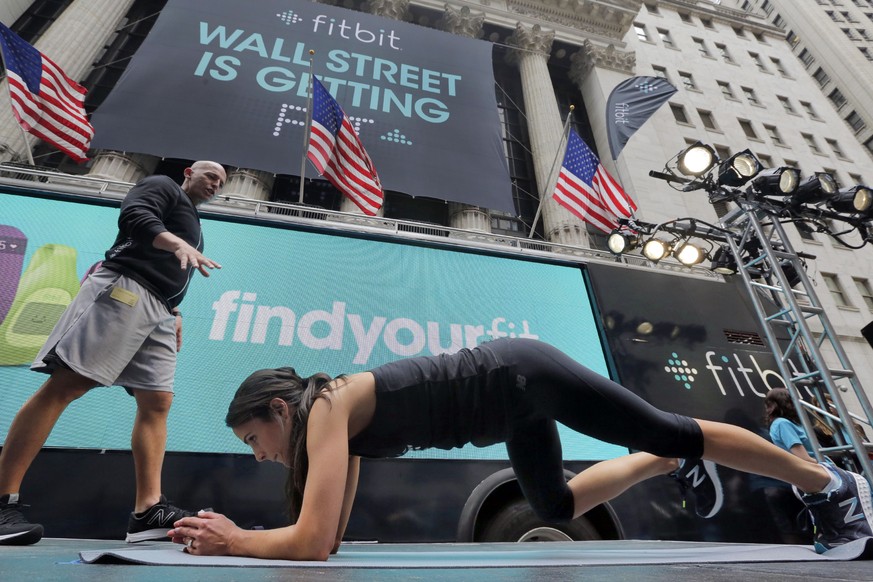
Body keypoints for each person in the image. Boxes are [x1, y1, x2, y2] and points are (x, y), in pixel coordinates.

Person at [168, 338, 873, 560]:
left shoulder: (326, 406)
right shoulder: (337, 429)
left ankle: (828, 484)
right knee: (556, 502)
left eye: (253, 439)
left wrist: (234, 541)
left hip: (519, 375)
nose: (258, 454)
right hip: (510, 413)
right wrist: (264, 538)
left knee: (667, 424)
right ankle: (667, 464)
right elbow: (328, 535)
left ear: (280, 410)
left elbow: (312, 541)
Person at [0, 161, 227, 546]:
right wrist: (174, 241)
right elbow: (135, 216)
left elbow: (166, 269)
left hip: (158, 310)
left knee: (157, 402)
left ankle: (147, 511)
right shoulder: (163, 187)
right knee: (66, 387)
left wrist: (173, 310)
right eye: (211, 176)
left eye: (221, 183)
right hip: (124, 290)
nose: (216, 185)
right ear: (189, 172)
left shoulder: (193, 221)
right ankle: (3, 498)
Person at [764, 388, 819, 462]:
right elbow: (804, 458)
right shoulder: (782, 424)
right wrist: (826, 465)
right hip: (819, 468)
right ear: (786, 403)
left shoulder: (791, 423)